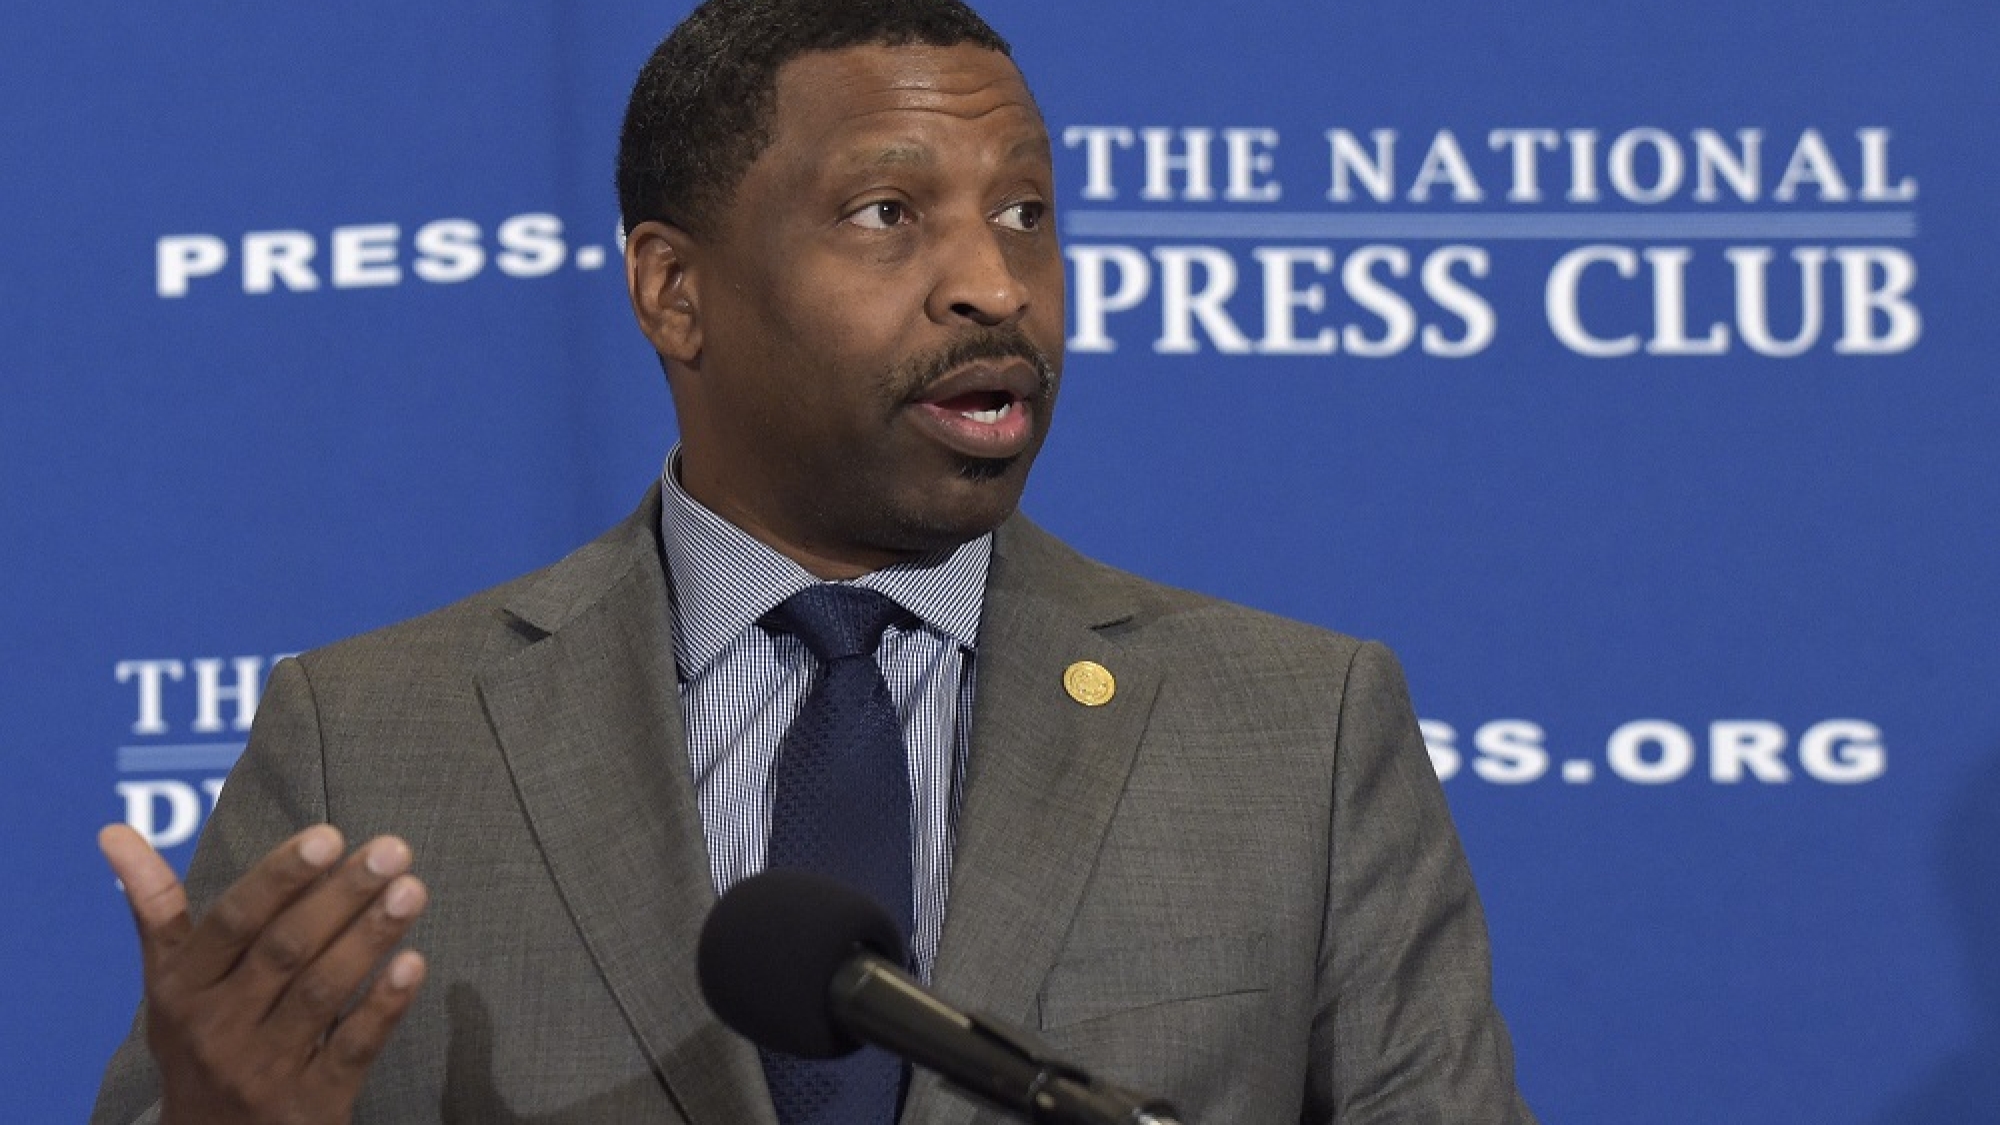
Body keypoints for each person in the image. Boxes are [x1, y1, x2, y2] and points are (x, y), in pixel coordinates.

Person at [92, 1, 1536, 1122]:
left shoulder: (1298, 733)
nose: (994, 283)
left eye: (1025, 214)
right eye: (887, 215)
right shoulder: (367, 744)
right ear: (675, 291)